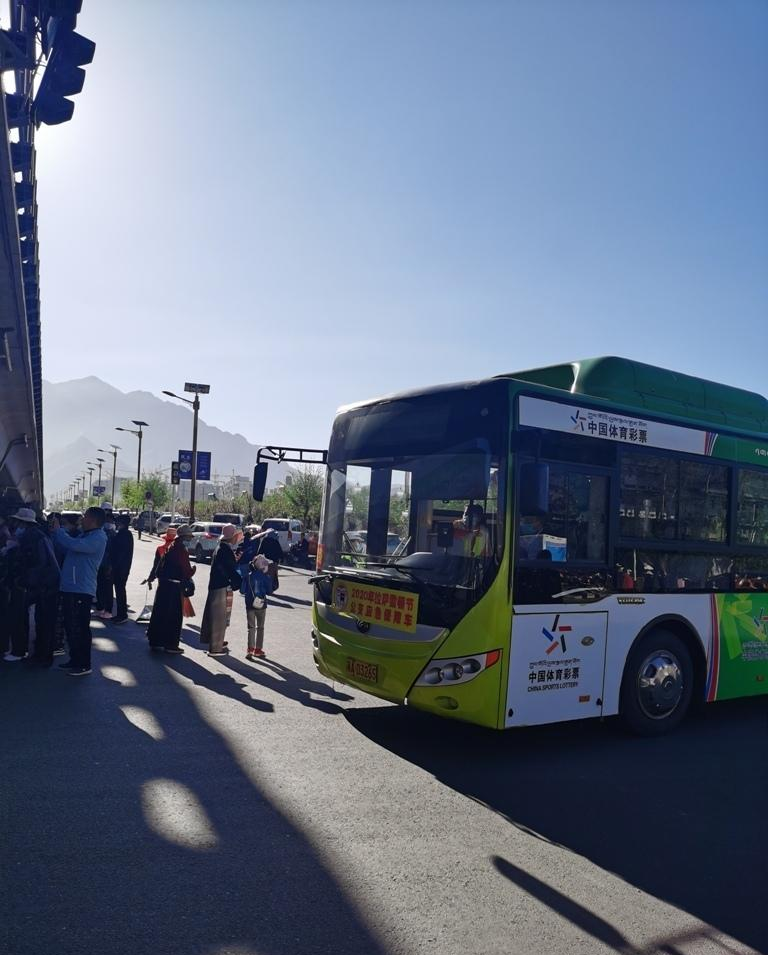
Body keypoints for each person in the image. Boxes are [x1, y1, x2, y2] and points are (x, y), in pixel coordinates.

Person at [52, 506, 108, 676]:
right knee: (71, 626)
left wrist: (59, 531)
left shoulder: (98, 537)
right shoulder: (87, 535)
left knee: (80, 628)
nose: (81, 520)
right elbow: (67, 546)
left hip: (81, 589)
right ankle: (75, 659)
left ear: (92, 519)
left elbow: (73, 544)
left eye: (85, 517)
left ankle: (84, 664)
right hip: (72, 587)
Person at [10, 508, 61, 668]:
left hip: (45, 585)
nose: (15, 525)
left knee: (44, 622)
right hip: (48, 583)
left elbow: (37, 565)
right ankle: (42, 655)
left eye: (17, 522)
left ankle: (42, 658)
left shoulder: (31, 537)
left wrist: (23, 582)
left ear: (23, 523)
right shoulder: (38, 534)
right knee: (44, 621)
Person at [145, 524, 196, 654]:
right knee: (173, 616)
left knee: (160, 613)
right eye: (189, 537)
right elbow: (186, 571)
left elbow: (158, 566)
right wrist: (192, 572)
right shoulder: (181, 549)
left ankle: (156, 641)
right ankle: (171, 644)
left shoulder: (170, 547)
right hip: (174, 587)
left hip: (163, 585)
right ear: (184, 537)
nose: (190, 539)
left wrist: (152, 577)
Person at [200, 524, 243, 657]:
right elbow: (230, 569)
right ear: (232, 537)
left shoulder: (221, 548)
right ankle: (216, 647)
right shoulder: (225, 550)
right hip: (221, 586)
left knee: (217, 617)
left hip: (216, 585)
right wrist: (239, 582)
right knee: (219, 618)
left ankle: (216, 642)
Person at [240, 553, 273, 660]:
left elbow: (242, 590)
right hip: (262, 604)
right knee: (260, 627)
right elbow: (269, 591)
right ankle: (258, 650)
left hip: (250, 604)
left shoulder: (248, 576)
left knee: (251, 628)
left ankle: (250, 649)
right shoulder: (266, 577)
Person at [111, 513, 134, 623]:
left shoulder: (124, 535)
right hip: (121, 568)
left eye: (118, 522)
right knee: (119, 591)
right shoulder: (123, 534)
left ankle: (122, 614)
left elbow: (120, 554)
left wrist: (113, 567)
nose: (116, 523)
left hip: (121, 569)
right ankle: (121, 613)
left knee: (120, 591)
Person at [94, 511, 116, 619]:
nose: (108, 523)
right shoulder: (103, 532)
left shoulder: (113, 535)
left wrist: (110, 566)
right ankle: (100, 608)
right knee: (99, 587)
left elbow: (113, 553)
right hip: (100, 564)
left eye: (109, 521)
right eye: (106, 521)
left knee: (107, 589)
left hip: (107, 566)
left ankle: (108, 610)